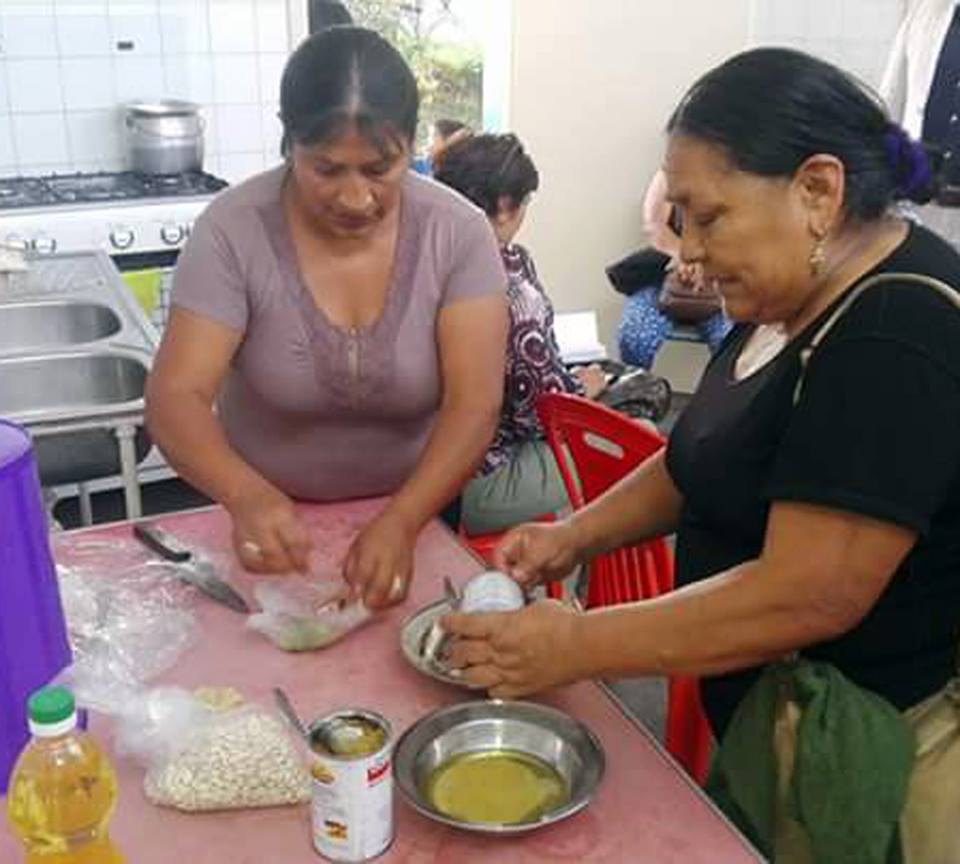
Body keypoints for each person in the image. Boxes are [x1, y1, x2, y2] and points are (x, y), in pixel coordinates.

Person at [443, 48, 960, 860]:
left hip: (868, 759)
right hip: (765, 727)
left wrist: (575, 645)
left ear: (817, 191)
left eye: (707, 217)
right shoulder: (787, 299)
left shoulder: (897, 329)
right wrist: (572, 536)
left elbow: (806, 595)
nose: (686, 251)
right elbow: (702, 456)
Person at [145, 27, 507, 609]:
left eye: (380, 169)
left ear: (411, 145)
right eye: (327, 169)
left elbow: (475, 404)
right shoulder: (233, 231)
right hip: (267, 527)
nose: (355, 198)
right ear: (289, 141)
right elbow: (176, 397)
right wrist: (244, 495)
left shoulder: (458, 234)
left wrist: (404, 519)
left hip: (417, 515)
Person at [433, 132, 605, 536]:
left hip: (419, 465)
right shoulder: (510, 290)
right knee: (639, 443)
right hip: (478, 480)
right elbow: (539, 413)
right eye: (525, 201)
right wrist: (584, 390)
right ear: (505, 206)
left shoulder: (423, 263)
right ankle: (593, 567)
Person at [617, 170, 731, 370]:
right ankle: (638, 387)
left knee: (734, 343)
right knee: (634, 336)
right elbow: (654, 225)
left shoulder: (749, 174)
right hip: (664, 277)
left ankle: (722, 391)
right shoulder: (673, 169)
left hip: (725, 282)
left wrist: (708, 263)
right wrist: (683, 256)